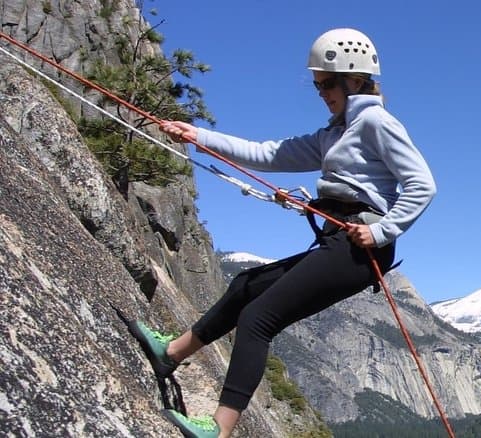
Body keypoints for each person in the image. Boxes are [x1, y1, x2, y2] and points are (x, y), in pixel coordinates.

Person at [128, 28, 436, 438]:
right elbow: (269, 153)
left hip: (360, 245)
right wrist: (198, 136)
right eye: (317, 85)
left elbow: (422, 184)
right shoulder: (334, 134)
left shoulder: (376, 122)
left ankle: (219, 431)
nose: (321, 91)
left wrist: (382, 231)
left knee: (258, 319)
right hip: (339, 239)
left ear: (355, 80)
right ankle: (170, 354)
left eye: (327, 83)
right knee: (246, 286)